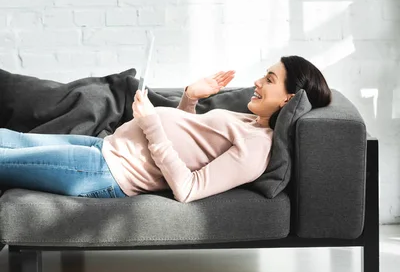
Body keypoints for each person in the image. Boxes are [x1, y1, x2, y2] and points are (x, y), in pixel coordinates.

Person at [0, 55, 331, 203]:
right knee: (9, 138)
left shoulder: (257, 148)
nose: (258, 81)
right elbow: (187, 141)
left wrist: (149, 122)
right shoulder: (250, 122)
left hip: (107, 172)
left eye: (269, 79)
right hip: (105, 149)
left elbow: (188, 188)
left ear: (290, 98)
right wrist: (190, 98)